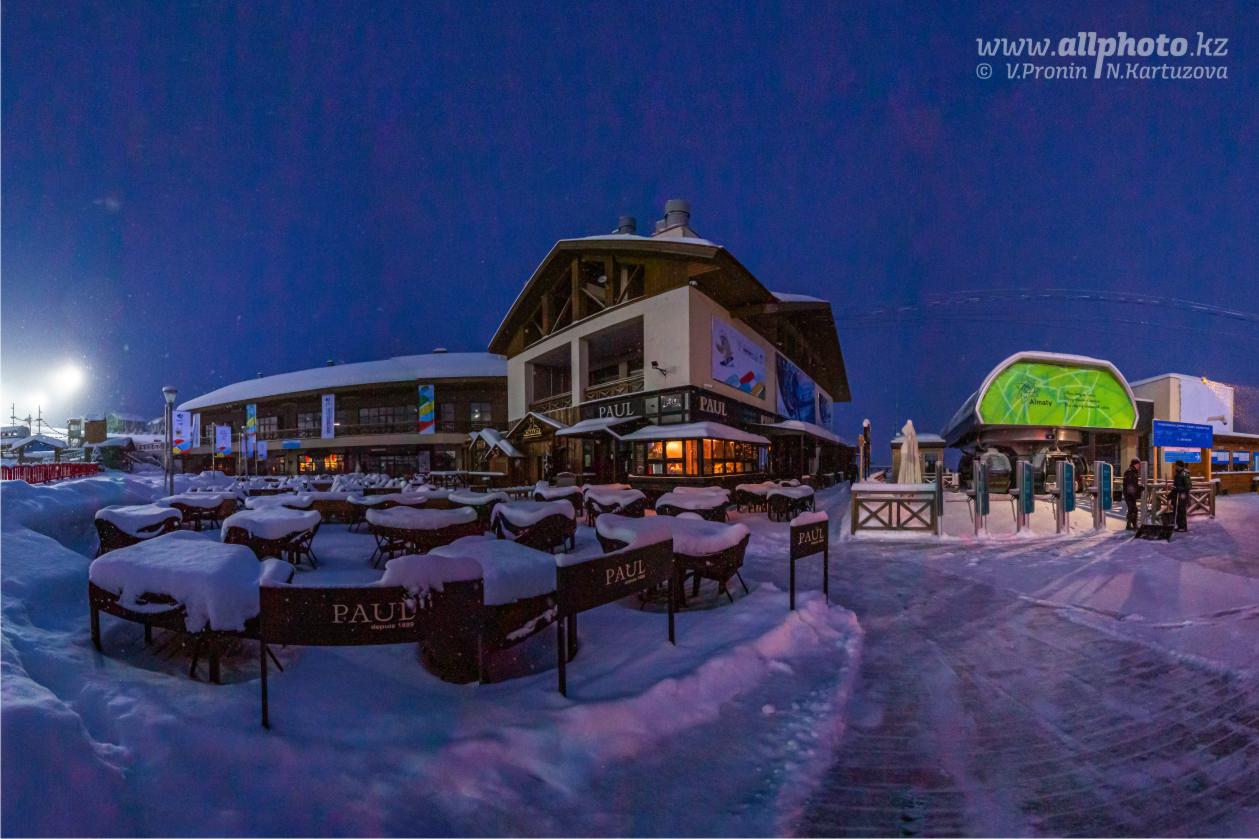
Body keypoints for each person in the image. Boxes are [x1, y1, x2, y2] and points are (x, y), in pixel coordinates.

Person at [1173, 459, 1192, 532]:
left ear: (1180, 466)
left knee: (1182, 511)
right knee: (1177, 510)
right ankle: (1179, 525)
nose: (1176, 467)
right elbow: (1176, 485)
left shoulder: (1185, 474)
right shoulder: (1178, 474)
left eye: (1177, 465)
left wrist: (1179, 488)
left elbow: (1189, 486)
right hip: (1177, 495)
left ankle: (1183, 526)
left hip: (1183, 495)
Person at [1123, 458, 1142, 530]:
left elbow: (1133, 484)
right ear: (1135, 464)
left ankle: (1132, 525)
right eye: (1138, 464)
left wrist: (1138, 488)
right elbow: (1131, 485)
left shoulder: (1132, 471)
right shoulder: (1131, 472)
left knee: (1133, 509)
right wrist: (1138, 490)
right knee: (1133, 509)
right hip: (1129, 494)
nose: (1139, 466)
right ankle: (1131, 526)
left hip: (1129, 493)